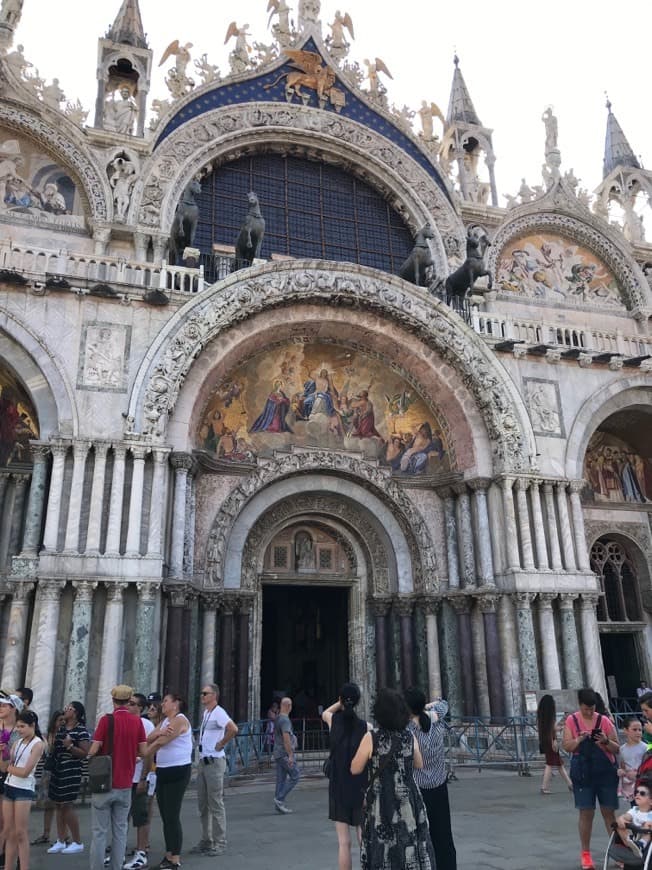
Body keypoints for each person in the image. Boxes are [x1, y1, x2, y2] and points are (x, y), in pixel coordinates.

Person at [351, 687, 435, 870]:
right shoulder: (408, 736)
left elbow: (355, 768)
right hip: (408, 798)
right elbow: (419, 764)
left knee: (383, 845)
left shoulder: (371, 737)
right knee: (409, 840)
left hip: (382, 800)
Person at [88, 685, 147, 870]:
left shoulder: (106, 720)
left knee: (99, 832)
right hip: (125, 784)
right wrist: (132, 757)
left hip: (105, 783)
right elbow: (144, 751)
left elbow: (95, 748)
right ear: (129, 700)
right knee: (120, 832)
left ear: (113, 700)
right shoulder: (137, 722)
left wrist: (88, 756)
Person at [562, 688, 620, 870]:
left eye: (592, 708)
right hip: (583, 773)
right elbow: (567, 746)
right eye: (586, 708)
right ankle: (585, 853)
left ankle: (618, 852)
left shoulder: (604, 721)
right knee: (586, 813)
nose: (589, 712)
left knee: (609, 813)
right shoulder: (571, 721)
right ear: (579, 705)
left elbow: (616, 748)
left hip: (604, 772)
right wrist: (579, 740)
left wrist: (604, 740)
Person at [405, 687, 457, 870]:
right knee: (443, 833)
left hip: (419, 791)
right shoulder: (436, 719)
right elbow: (444, 704)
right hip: (439, 786)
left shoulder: (409, 729)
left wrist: (419, 709)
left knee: (421, 835)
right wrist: (427, 709)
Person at [321, 683, 369, 870]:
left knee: (344, 843)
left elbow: (325, 712)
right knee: (363, 838)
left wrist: (341, 702)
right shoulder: (367, 727)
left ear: (341, 700)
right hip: (360, 786)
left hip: (338, 786)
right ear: (358, 701)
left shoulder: (333, 720)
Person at [189, 683, 238, 857]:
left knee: (216, 802)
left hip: (215, 761)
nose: (202, 696)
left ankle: (220, 841)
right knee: (203, 804)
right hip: (203, 761)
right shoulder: (206, 713)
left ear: (214, 695)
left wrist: (222, 743)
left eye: (205, 693)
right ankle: (206, 839)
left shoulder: (219, 712)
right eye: (202, 693)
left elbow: (233, 728)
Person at [144, 694, 192, 869]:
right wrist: (160, 731)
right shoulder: (165, 721)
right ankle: (168, 854)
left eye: (165, 701)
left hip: (177, 770)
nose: (162, 704)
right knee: (165, 815)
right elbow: (151, 737)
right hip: (163, 770)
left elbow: (160, 743)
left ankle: (175, 859)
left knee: (172, 815)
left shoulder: (179, 720)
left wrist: (141, 756)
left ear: (176, 703)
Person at [0, 709, 44, 870]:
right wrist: (2, 752)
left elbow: (25, 772)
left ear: (32, 725)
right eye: (17, 726)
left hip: (23, 790)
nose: (18, 730)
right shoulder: (17, 743)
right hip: (9, 787)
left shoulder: (38, 743)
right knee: (9, 832)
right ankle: (8, 867)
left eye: (22, 726)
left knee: (20, 833)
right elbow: (4, 767)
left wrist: (9, 767)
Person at [47, 700, 90, 855]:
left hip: (71, 770)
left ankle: (77, 841)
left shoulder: (81, 730)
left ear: (76, 712)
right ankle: (61, 839)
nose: (65, 709)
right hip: (58, 769)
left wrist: (70, 746)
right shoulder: (62, 728)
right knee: (58, 805)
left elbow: (85, 752)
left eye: (69, 708)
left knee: (68, 804)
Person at [123, 693, 154, 870]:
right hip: (124, 777)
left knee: (140, 816)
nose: (128, 706)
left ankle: (141, 851)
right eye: (127, 703)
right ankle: (120, 850)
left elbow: (148, 753)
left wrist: (143, 778)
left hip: (138, 777)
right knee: (122, 816)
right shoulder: (124, 722)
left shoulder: (146, 725)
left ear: (140, 707)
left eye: (133, 704)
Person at [31, 708, 65, 847]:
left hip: (61, 772)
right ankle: (46, 833)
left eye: (64, 720)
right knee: (48, 805)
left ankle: (63, 835)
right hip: (48, 772)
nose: (62, 722)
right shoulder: (48, 736)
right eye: (60, 720)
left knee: (62, 806)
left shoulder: (66, 735)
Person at [537, 694, 573, 794]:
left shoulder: (541, 716)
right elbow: (553, 729)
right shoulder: (550, 716)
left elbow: (549, 729)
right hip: (551, 740)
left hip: (545, 740)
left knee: (558, 763)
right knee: (551, 764)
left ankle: (570, 784)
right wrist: (561, 727)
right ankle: (544, 787)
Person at [273, 697, 300, 814]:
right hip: (283, 753)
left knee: (281, 779)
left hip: (277, 752)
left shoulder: (278, 718)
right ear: (289, 706)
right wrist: (290, 755)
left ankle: (279, 803)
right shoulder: (285, 720)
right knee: (295, 775)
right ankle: (279, 798)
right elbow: (286, 739)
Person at [616, 778, 652, 858]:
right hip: (634, 838)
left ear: (651, 801)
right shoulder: (634, 810)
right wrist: (621, 819)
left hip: (648, 843)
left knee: (648, 825)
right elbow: (626, 816)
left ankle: (641, 845)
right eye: (636, 792)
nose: (638, 794)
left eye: (642, 793)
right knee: (619, 824)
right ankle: (631, 845)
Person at [618, 717, 647, 803]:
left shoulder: (646, 747)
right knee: (634, 809)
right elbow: (623, 765)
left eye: (640, 730)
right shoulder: (622, 749)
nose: (638, 732)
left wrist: (638, 773)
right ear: (625, 730)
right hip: (630, 786)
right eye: (634, 729)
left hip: (644, 784)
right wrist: (621, 771)